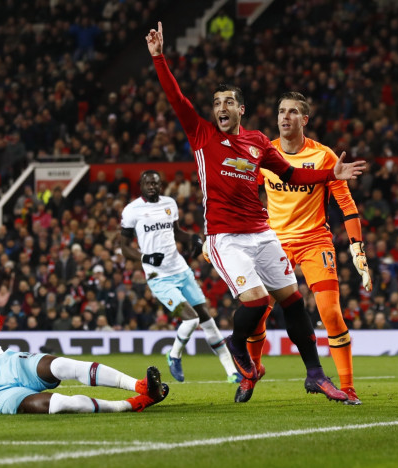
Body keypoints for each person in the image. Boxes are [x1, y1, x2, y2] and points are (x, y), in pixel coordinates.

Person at [146, 23, 365, 402]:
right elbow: (176, 99)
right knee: (257, 302)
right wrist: (159, 58)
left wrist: (333, 173)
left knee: (293, 301)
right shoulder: (202, 135)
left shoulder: (258, 142)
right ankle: (235, 345)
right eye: (216, 104)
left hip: (262, 233)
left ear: (241, 109)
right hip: (225, 236)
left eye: (228, 102)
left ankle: (315, 374)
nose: (221, 109)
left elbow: (293, 173)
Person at [238, 92, 372, 405]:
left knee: (330, 313)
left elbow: (346, 205)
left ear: (305, 120)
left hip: (315, 240)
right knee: (258, 313)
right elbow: (241, 191)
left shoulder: (324, 156)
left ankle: (348, 387)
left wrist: (357, 249)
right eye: (281, 111)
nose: (285, 117)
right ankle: (252, 372)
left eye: (293, 112)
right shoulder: (264, 152)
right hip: (274, 243)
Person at [0, 263, 169, 415]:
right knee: (59, 406)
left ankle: (141, 386)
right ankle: (131, 405)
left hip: (6, 363)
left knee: (62, 365)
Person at [119, 170, 241, 384]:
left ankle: (231, 371)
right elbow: (124, 247)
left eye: (156, 183)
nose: (152, 186)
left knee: (206, 318)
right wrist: (145, 257)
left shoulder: (169, 204)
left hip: (181, 271)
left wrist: (192, 238)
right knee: (191, 318)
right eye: (148, 183)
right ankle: (174, 355)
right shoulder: (132, 211)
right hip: (158, 277)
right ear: (141, 185)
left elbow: (176, 233)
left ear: (161, 185)